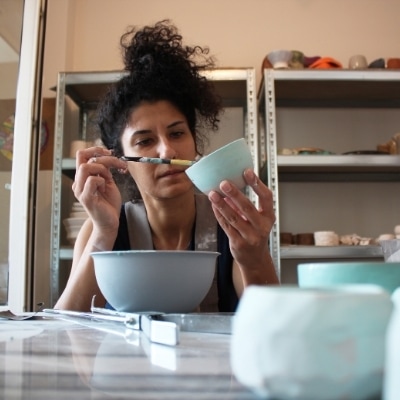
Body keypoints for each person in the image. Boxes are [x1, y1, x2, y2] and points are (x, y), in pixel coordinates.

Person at [54, 20, 279, 313]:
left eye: (176, 134)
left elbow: (273, 324)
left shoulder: (233, 226)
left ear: (195, 143)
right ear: (121, 161)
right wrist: (104, 233)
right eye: (145, 141)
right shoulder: (100, 229)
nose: (168, 151)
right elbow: (66, 329)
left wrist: (254, 256)